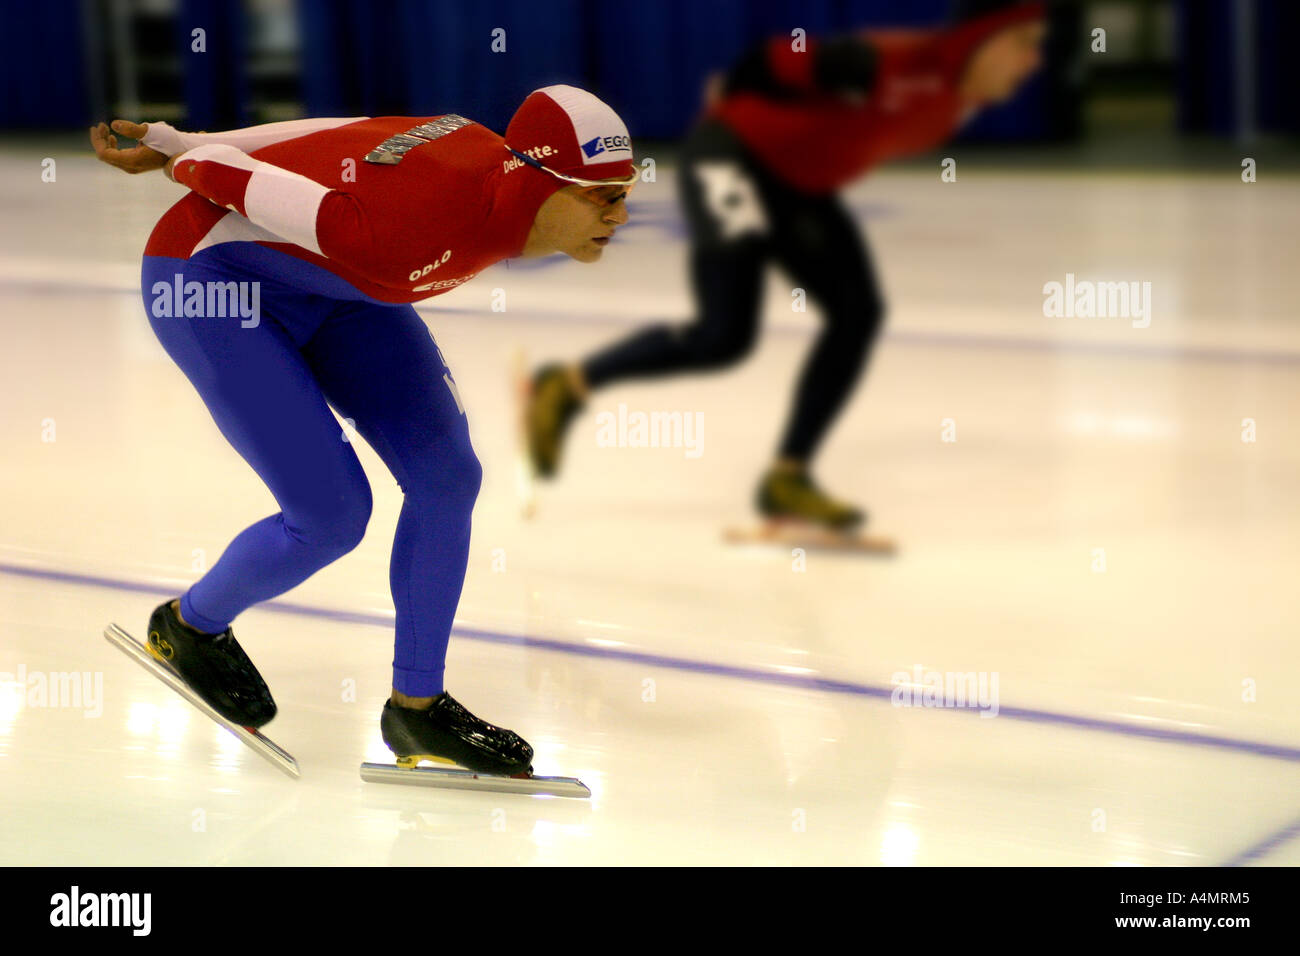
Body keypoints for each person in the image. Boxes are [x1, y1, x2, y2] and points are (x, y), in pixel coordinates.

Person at [90, 84, 637, 776]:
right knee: (332, 516)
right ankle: (189, 626)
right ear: (538, 179)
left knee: (447, 479)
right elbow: (243, 179)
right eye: (604, 196)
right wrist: (180, 155)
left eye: (625, 189)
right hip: (210, 281)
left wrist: (183, 137)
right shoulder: (412, 230)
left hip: (340, 284)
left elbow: (338, 132)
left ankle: (417, 709)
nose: (621, 214)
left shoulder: (478, 152)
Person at [525, 0, 1047, 532]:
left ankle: (788, 477)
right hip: (731, 159)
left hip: (797, 185)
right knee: (723, 336)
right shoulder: (890, 64)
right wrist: (733, 92)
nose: (1033, 61)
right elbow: (778, 56)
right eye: (1023, 42)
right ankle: (567, 385)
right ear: (981, 38)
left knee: (856, 313)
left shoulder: (953, 104)